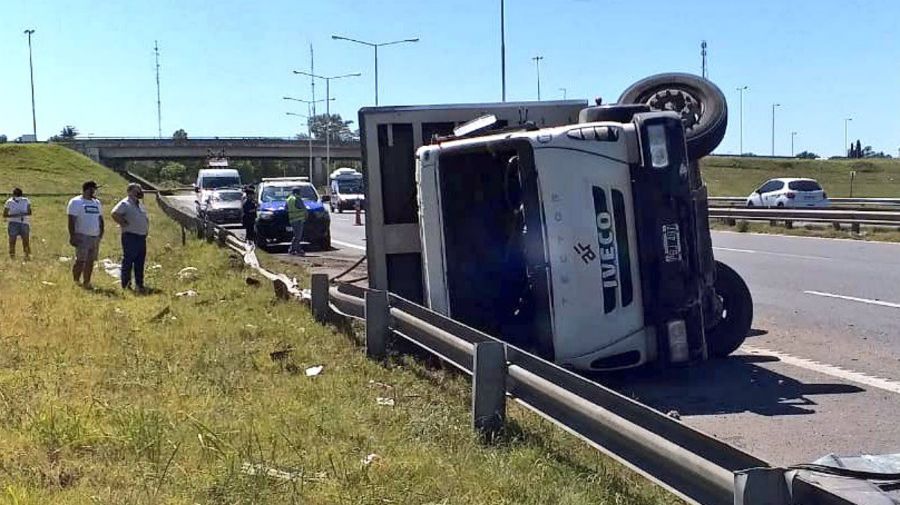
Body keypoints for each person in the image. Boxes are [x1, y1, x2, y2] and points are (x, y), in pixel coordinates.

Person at [111, 183, 150, 292]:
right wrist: (124, 223)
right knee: (128, 261)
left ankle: (139, 284)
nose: (139, 192)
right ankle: (126, 285)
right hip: (130, 236)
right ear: (130, 191)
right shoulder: (125, 203)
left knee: (140, 261)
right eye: (137, 190)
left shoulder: (140, 204)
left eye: (140, 190)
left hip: (141, 237)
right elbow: (114, 213)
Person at [67, 181, 104, 289]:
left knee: (90, 261)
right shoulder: (76, 202)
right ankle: (76, 281)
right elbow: (71, 220)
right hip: (82, 235)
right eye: (93, 189)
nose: (95, 191)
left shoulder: (96, 203)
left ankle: (87, 282)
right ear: (88, 189)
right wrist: (72, 236)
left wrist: (101, 232)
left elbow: (100, 219)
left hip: (95, 236)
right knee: (80, 260)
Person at [4, 187, 32, 260]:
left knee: (19, 241)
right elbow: (5, 214)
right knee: (19, 241)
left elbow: (5, 214)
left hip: (19, 222)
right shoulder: (10, 202)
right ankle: (19, 256)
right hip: (19, 223)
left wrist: (17, 215)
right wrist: (19, 215)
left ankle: (20, 256)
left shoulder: (24, 200)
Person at [285, 187, 308, 256]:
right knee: (298, 236)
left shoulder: (289, 199)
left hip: (292, 219)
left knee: (296, 235)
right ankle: (292, 249)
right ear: (298, 192)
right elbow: (303, 208)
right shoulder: (297, 198)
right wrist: (306, 215)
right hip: (299, 220)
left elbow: (286, 208)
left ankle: (298, 249)